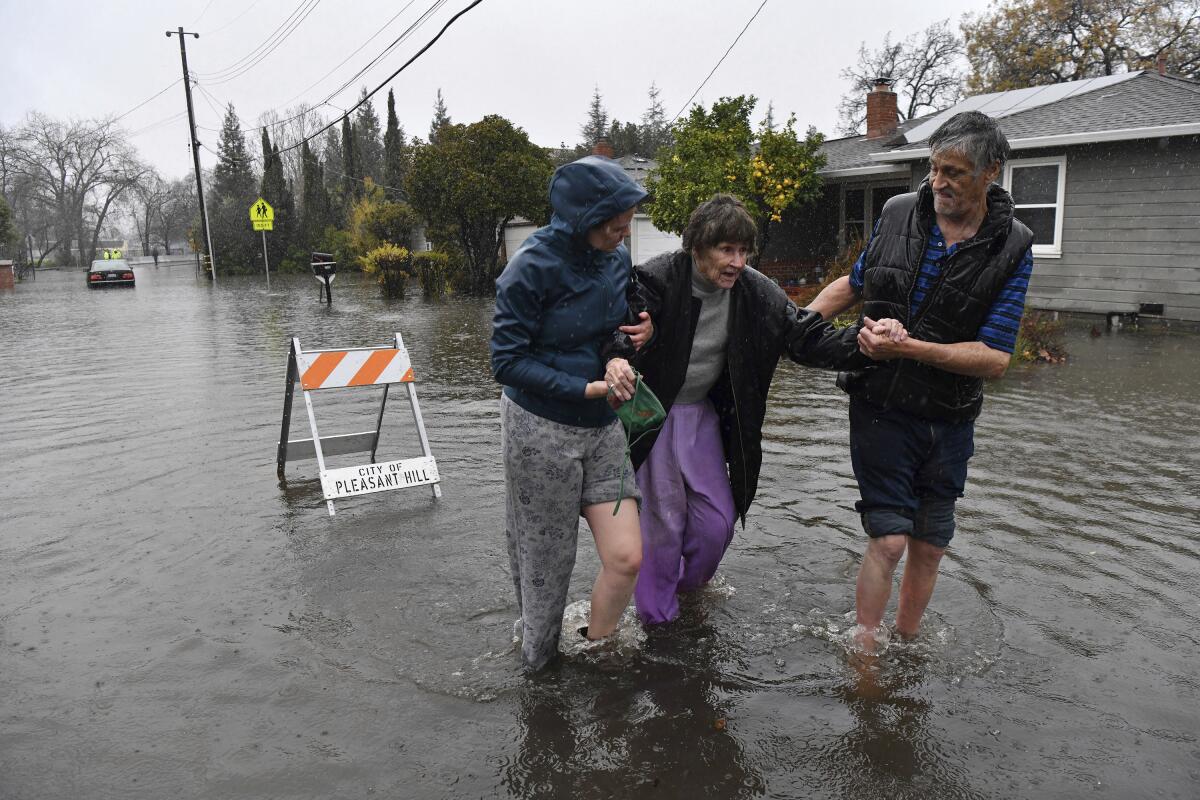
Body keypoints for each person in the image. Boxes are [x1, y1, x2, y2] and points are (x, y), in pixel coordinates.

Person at [807, 111, 1035, 648]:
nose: (939, 184)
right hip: (880, 404)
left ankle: (907, 643)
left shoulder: (1015, 247)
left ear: (991, 172)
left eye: (954, 172)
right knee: (888, 541)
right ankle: (864, 649)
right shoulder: (898, 213)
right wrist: (797, 327)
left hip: (950, 418)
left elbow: (996, 358)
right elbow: (856, 282)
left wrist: (909, 346)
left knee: (929, 546)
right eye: (934, 169)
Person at [606, 194, 863, 626]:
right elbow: (618, 328)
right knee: (663, 527)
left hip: (702, 416)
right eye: (727, 250)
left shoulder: (758, 292)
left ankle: (685, 596)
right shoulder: (657, 279)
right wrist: (622, 351)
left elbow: (804, 338)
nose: (737, 262)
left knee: (717, 523)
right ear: (697, 246)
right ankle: (657, 621)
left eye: (744, 251)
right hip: (654, 416)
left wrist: (865, 342)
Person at [491, 155, 652, 670]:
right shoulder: (529, 269)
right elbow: (507, 362)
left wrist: (628, 348)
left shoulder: (616, 259)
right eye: (616, 223)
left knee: (627, 557)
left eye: (629, 220)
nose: (625, 231)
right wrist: (587, 387)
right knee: (547, 570)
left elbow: (613, 329)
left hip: (603, 425)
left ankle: (599, 656)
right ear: (583, 218)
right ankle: (539, 682)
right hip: (539, 429)